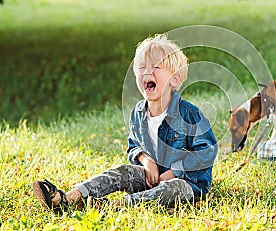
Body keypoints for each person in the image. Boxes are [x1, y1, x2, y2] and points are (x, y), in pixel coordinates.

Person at [32, 34, 218, 210]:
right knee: (121, 171)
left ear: (175, 79)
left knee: (173, 189)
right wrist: (146, 161)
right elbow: (134, 146)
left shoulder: (189, 114)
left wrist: (174, 172)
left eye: (156, 67)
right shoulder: (138, 113)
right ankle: (68, 198)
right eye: (142, 67)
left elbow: (206, 151)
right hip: (150, 177)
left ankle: (116, 206)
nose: (147, 72)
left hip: (187, 183)